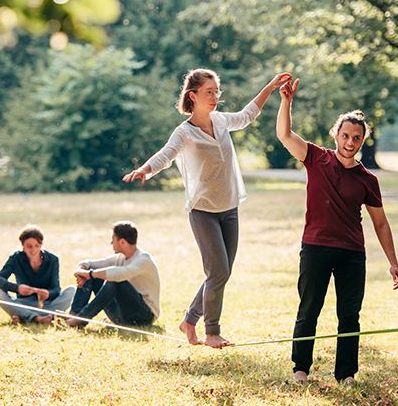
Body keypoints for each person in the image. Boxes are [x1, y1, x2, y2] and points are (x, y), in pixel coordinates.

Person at [123, 68, 293, 348]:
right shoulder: (184, 132)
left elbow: (248, 114)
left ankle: (189, 320)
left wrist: (270, 87)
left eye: (217, 91)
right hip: (203, 212)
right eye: (209, 92)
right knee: (218, 272)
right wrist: (146, 169)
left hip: (230, 208)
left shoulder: (222, 121)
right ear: (193, 95)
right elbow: (166, 155)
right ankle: (211, 332)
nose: (215, 97)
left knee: (221, 272)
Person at [276, 78, 398, 384]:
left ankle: (346, 375)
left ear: (362, 141)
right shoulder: (315, 158)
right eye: (345, 135)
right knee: (309, 310)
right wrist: (287, 101)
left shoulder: (368, 180)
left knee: (349, 316)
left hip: (351, 254)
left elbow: (380, 223)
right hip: (316, 248)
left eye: (356, 138)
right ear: (336, 134)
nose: (350, 142)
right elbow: (284, 135)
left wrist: (393, 261)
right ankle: (300, 370)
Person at [64, 221, 160, 328]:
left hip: (144, 316)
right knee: (93, 272)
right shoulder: (121, 257)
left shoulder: (143, 259)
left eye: (113, 239)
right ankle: (74, 314)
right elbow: (88, 263)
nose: (111, 243)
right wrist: (82, 273)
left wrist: (90, 274)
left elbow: (119, 274)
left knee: (114, 281)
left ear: (122, 242)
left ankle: (81, 319)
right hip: (122, 315)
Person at [0, 225, 75, 324]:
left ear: (41, 244)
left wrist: (48, 294)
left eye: (37, 245)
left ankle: (25, 317)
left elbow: (56, 289)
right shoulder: (15, 258)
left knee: (72, 290)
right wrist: (17, 288)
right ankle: (37, 318)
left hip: (46, 304)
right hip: (24, 303)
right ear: (22, 245)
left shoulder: (52, 259)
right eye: (29, 246)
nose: (33, 250)